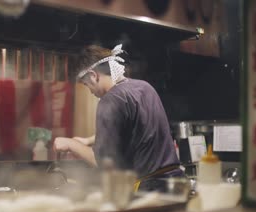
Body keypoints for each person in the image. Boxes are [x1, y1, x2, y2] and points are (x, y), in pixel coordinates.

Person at [53, 44, 183, 191]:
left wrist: (71, 144)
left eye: (86, 84)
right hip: (176, 182)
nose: (89, 91)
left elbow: (103, 163)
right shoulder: (144, 87)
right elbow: (134, 128)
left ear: (93, 75)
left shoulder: (110, 100)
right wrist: (87, 140)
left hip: (150, 190)